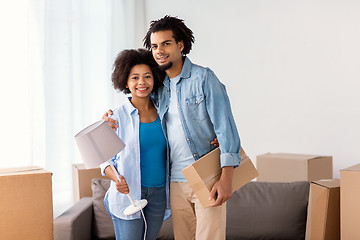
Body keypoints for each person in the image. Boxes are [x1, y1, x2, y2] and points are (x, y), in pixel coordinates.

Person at [104, 16, 241, 240]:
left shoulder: (204, 78)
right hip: (175, 181)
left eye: (166, 44)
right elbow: (135, 106)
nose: (159, 51)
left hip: (206, 175)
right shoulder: (159, 88)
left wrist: (226, 179)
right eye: (155, 46)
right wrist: (108, 118)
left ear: (180, 45)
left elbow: (226, 130)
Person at [100, 48, 169, 240]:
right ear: (125, 81)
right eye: (134, 77)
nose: (141, 82)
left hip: (159, 194)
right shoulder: (116, 116)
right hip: (128, 194)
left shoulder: (165, 112)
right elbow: (104, 159)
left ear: (155, 78)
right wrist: (116, 179)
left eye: (147, 76)